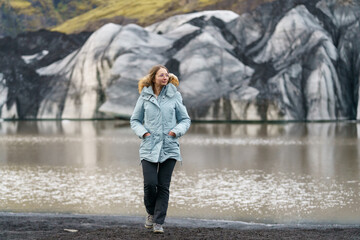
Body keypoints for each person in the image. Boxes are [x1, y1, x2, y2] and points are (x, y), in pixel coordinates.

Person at [130, 65, 191, 234]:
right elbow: (135, 120)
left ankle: (158, 222)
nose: (165, 77)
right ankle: (150, 213)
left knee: (163, 186)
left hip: (170, 147)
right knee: (150, 185)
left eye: (167, 75)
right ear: (153, 77)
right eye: (161, 75)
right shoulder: (144, 97)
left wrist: (175, 132)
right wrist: (144, 133)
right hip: (148, 146)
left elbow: (185, 120)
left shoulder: (175, 96)